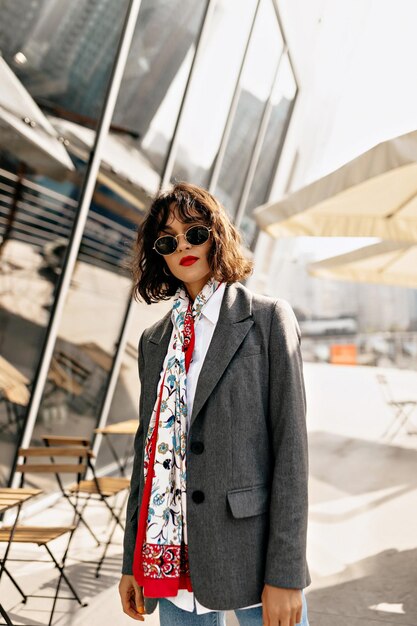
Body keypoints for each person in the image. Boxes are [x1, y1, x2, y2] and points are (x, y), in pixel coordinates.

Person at [119, 182, 310, 626]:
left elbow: (292, 454)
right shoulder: (154, 341)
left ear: (217, 234)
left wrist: (287, 573)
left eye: (195, 232)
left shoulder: (266, 320)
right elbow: (144, 457)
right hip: (171, 557)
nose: (183, 245)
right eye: (168, 240)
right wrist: (132, 560)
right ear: (159, 255)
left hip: (253, 552)